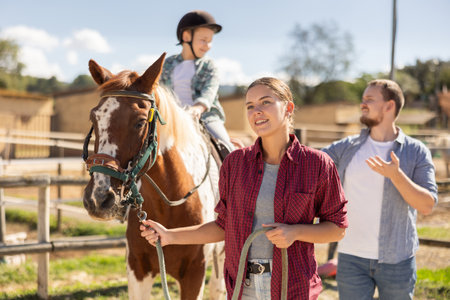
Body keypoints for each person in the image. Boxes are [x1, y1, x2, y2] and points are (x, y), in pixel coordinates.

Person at [141, 77, 348, 300]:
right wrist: (169, 236)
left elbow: (337, 228)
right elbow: (224, 226)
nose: (256, 111)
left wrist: (295, 232)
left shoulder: (317, 164)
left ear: (288, 108)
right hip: (242, 285)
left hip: (292, 286)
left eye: (266, 102)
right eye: (250, 106)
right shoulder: (235, 163)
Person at [322, 79, 438, 300]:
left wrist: (396, 175)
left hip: (397, 260)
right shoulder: (346, 147)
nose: (362, 104)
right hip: (351, 256)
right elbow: (307, 159)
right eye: (362, 99)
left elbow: (427, 205)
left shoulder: (416, 151)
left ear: (389, 106)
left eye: (369, 99)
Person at [160, 10, 234, 151]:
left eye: (210, 41)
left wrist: (198, 108)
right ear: (187, 36)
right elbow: (160, 89)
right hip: (172, 119)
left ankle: (234, 169)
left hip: (205, 118)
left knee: (226, 147)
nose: (208, 45)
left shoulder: (209, 66)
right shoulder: (168, 64)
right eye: (203, 40)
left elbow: (209, 91)